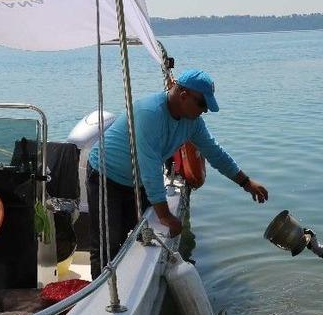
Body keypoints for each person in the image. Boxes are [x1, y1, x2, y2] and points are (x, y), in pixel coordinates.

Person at [87, 69, 269, 279]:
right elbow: (150, 168)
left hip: (137, 183)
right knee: (107, 243)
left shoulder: (192, 123)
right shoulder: (150, 113)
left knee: (140, 236)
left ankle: (131, 282)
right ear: (183, 95)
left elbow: (215, 153)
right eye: (202, 104)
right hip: (106, 175)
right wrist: (165, 215)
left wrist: (246, 183)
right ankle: (99, 297)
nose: (205, 111)